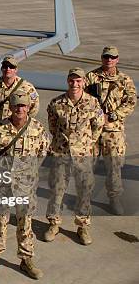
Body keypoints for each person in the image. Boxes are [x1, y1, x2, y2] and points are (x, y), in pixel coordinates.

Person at [0, 92, 50, 283]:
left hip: (25, 186)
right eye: (16, 106)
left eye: (23, 106)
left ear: (28, 107)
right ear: (10, 107)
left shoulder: (37, 128)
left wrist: (30, 171)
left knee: (25, 224)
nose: (19, 109)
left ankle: (26, 259)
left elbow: (42, 152)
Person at [45, 68, 104, 245]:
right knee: (57, 190)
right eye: (72, 80)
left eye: (78, 81)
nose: (75, 84)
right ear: (67, 81)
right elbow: (53, 127)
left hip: (83, 155)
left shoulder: (93, 103)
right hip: (61, 153)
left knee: (84, 191)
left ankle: (82, 226)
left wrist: (86, 144)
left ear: (84, 82)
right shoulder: (56, 103)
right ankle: (54, 224)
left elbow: (97, 127)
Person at [85, 46, 136, 215]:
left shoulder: (124, 80)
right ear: (102, 58)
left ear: (117, 59)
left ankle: (114, 199)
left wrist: (113, 115)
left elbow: (130, 102)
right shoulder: (91, 77)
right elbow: (81, 98)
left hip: (113, 132)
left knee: (113, 167)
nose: (109, 60)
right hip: (92, 130)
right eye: (106, 57)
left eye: (112, 57)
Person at [0, 55, 39, 120]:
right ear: (1, 69)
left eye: (11, 67)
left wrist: (23, 122)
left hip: (16, 126)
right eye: (5, 66)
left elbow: (34, 107)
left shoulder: (27, 88)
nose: (8, 69)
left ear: (16, 69)